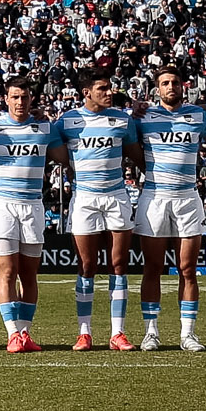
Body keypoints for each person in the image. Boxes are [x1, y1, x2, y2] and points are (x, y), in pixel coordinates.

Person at [134, 63, 206, 351]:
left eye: (175, 82)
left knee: (188, 268)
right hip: (154, 197)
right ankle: (151, 332)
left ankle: (188, 334)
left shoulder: (197, 115)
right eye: (165, 83)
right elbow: (123, 140)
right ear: (156, 89)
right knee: (153, 268)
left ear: (184, 86)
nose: (171, 87)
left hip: (188, 197)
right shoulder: (143, 117)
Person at [55, 70, 140, 350]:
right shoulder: (67, 121)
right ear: (86, 93)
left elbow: (136, 154)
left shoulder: (122, 119)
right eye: (102, 88)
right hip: (84, 198)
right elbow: (54, 151)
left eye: (110, 88)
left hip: (117, 195)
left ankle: (118, 333)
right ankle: (85, 332)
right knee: (87, 265)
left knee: (119, 265)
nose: (109, 92)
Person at [0, 76, 64, 352]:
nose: (20, 102)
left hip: (33, 205)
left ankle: (26, 333)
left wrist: (54, 120)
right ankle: (12, 333)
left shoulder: (44, 127)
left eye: (25, 97)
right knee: (7, 272)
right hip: (3, 205)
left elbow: (66, 152)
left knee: (29, 274)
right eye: (15, 97)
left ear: (31, 99)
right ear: (6, 99)